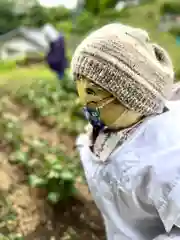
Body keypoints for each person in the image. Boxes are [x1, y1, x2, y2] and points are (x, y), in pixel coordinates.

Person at [70, 23, 180, 239]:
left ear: (131, 99)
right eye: (80, 89)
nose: (84, 103)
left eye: (92, 93)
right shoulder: (109, 128)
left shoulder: (169, 161)